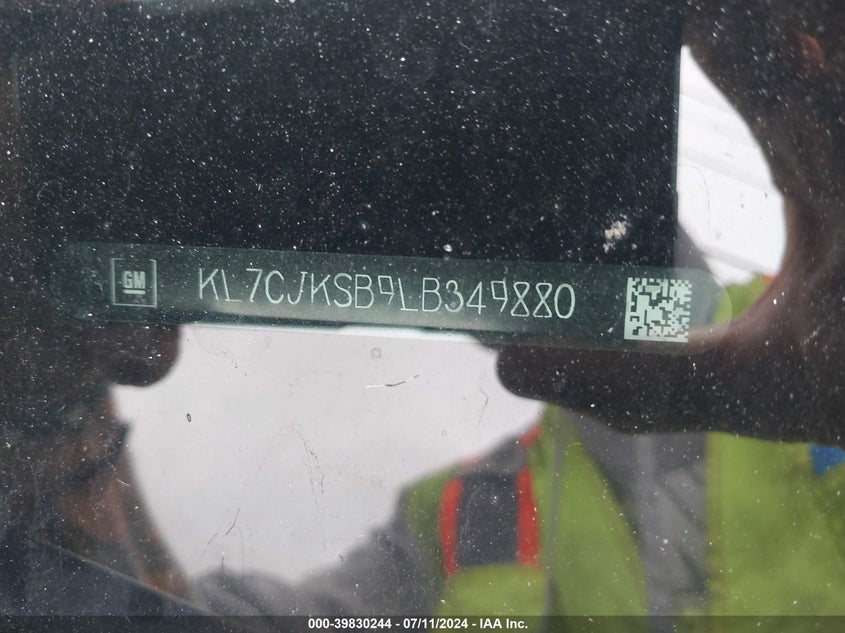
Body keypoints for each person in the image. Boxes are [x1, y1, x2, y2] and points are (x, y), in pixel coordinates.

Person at [0, 0, 843, 624]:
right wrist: (50, 407)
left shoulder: (808, 368)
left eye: (492, 134)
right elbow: (189, 620)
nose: (434, 199)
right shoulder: (465, 516)